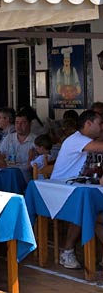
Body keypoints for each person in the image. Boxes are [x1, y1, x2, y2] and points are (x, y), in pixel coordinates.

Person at [50, 110, 103, 269]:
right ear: (88, 124)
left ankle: (68, 252)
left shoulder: (85, 141)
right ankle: (67, 251)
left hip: (77, 188)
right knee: (88, 210)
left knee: (95, 214)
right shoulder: (77, 139)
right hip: (60, 191)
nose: (102, 127)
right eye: (100, 123)